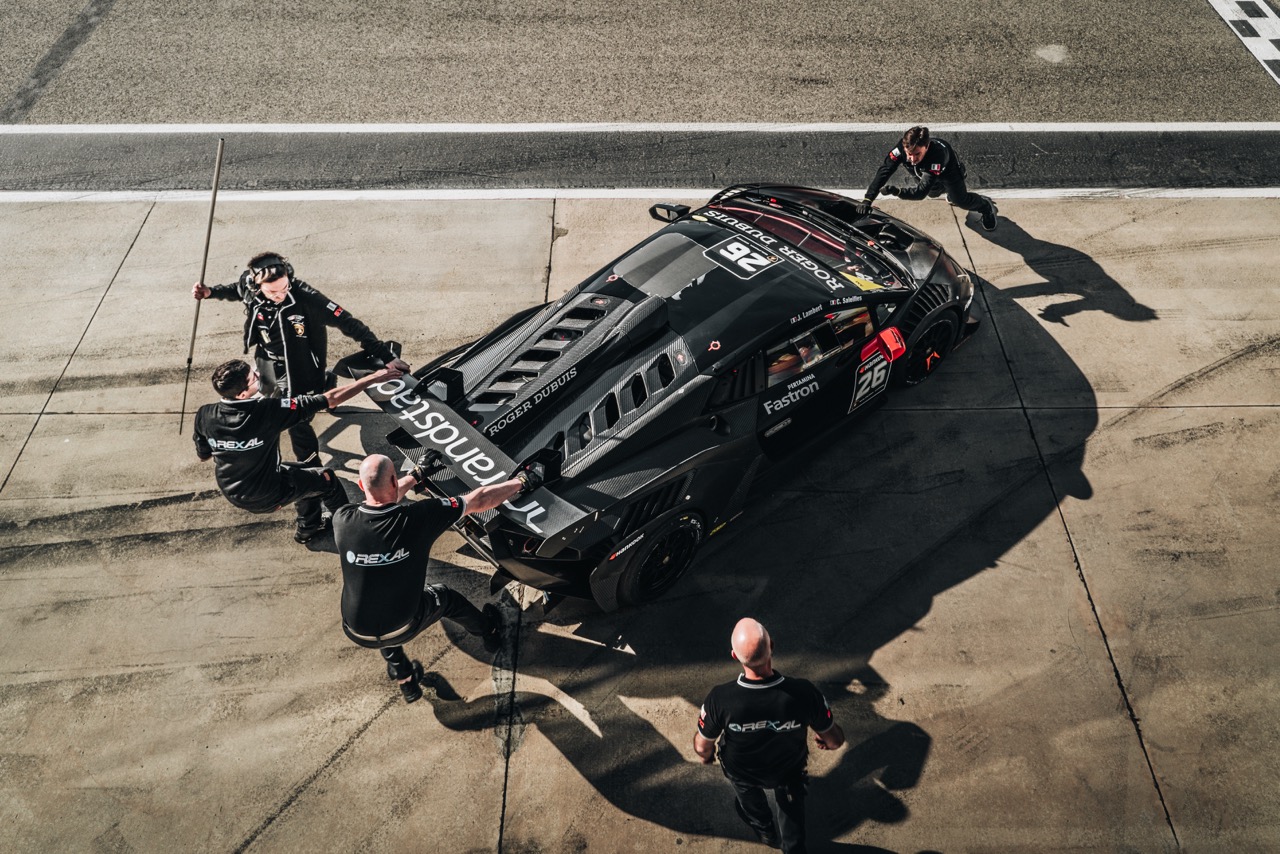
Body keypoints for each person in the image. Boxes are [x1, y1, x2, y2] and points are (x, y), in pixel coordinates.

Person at [333, 454, 540, 703]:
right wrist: (523, 481)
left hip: (355, 629)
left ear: (359, 485)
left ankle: (405, 678)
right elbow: (481, 499)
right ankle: (490, 631)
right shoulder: (418, 518)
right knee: (446, 598)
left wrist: (417, 475)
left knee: (377, 594)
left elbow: (381, 501)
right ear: (394, 481)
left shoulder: (343, 520)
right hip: (403, 623)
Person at [192, 252, 410, 466]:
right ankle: (327, 385)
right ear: (256, 286)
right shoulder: (247, 285)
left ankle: (310, 465)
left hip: (300, 365)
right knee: (270, 397)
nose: (281, 295)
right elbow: (235, 290)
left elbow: (349, 323)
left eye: (285, 288)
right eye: (273, 292)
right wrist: (211, 292)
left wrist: (386, 355)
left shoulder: (308, 298)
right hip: (266, 360)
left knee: (297, 419)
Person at [193, 359, 403, 543]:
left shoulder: (205, 414)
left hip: (232, 489)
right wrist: (373, 378)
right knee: (327, 479)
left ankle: (308, 528)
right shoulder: (267, 411)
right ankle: (354, 530)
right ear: (241, 394)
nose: (258, 375)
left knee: (307, 475)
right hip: (266, 494)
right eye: (254, 378)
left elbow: (204, 455)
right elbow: (330, 399)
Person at [694, 618, 845, 853]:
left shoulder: (720, 699)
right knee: (792, 808)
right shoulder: (804, 692)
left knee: (749, 801)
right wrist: (826, 740)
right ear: (771, 646)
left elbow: (703, 745)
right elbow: (835, 740)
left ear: (734, 656)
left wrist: (706, 756)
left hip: (742, 771)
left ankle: (765, 831)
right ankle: (793, 847)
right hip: (789, 769)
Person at [856, 125, 998, 231]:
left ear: (927, 146)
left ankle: (985, 207)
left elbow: (920, 193)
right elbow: (885, 170)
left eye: (917, 154)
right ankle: (944, 189)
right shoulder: (902, 149)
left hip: (948, 170)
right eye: (909, 154)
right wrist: (868, 199)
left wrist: (897, 191)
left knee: (961, 200)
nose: (912, 159)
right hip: (925, 171)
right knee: (933, 192)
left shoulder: (937, 155)